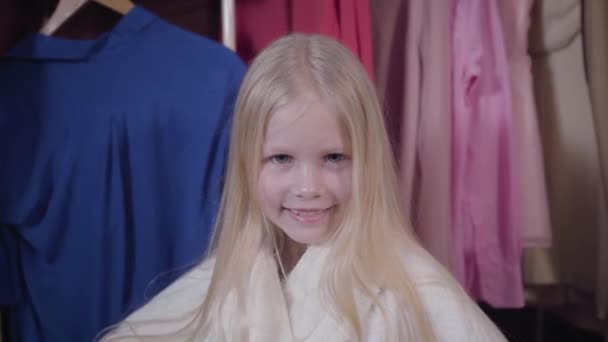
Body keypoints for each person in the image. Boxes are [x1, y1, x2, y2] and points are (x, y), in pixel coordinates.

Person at [99, 34, 507, 341]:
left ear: (368, 159)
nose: (308, 187)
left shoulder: (418, 291)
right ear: (246, 164)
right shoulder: (225, 284)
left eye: (334, 158)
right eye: (281, 159)